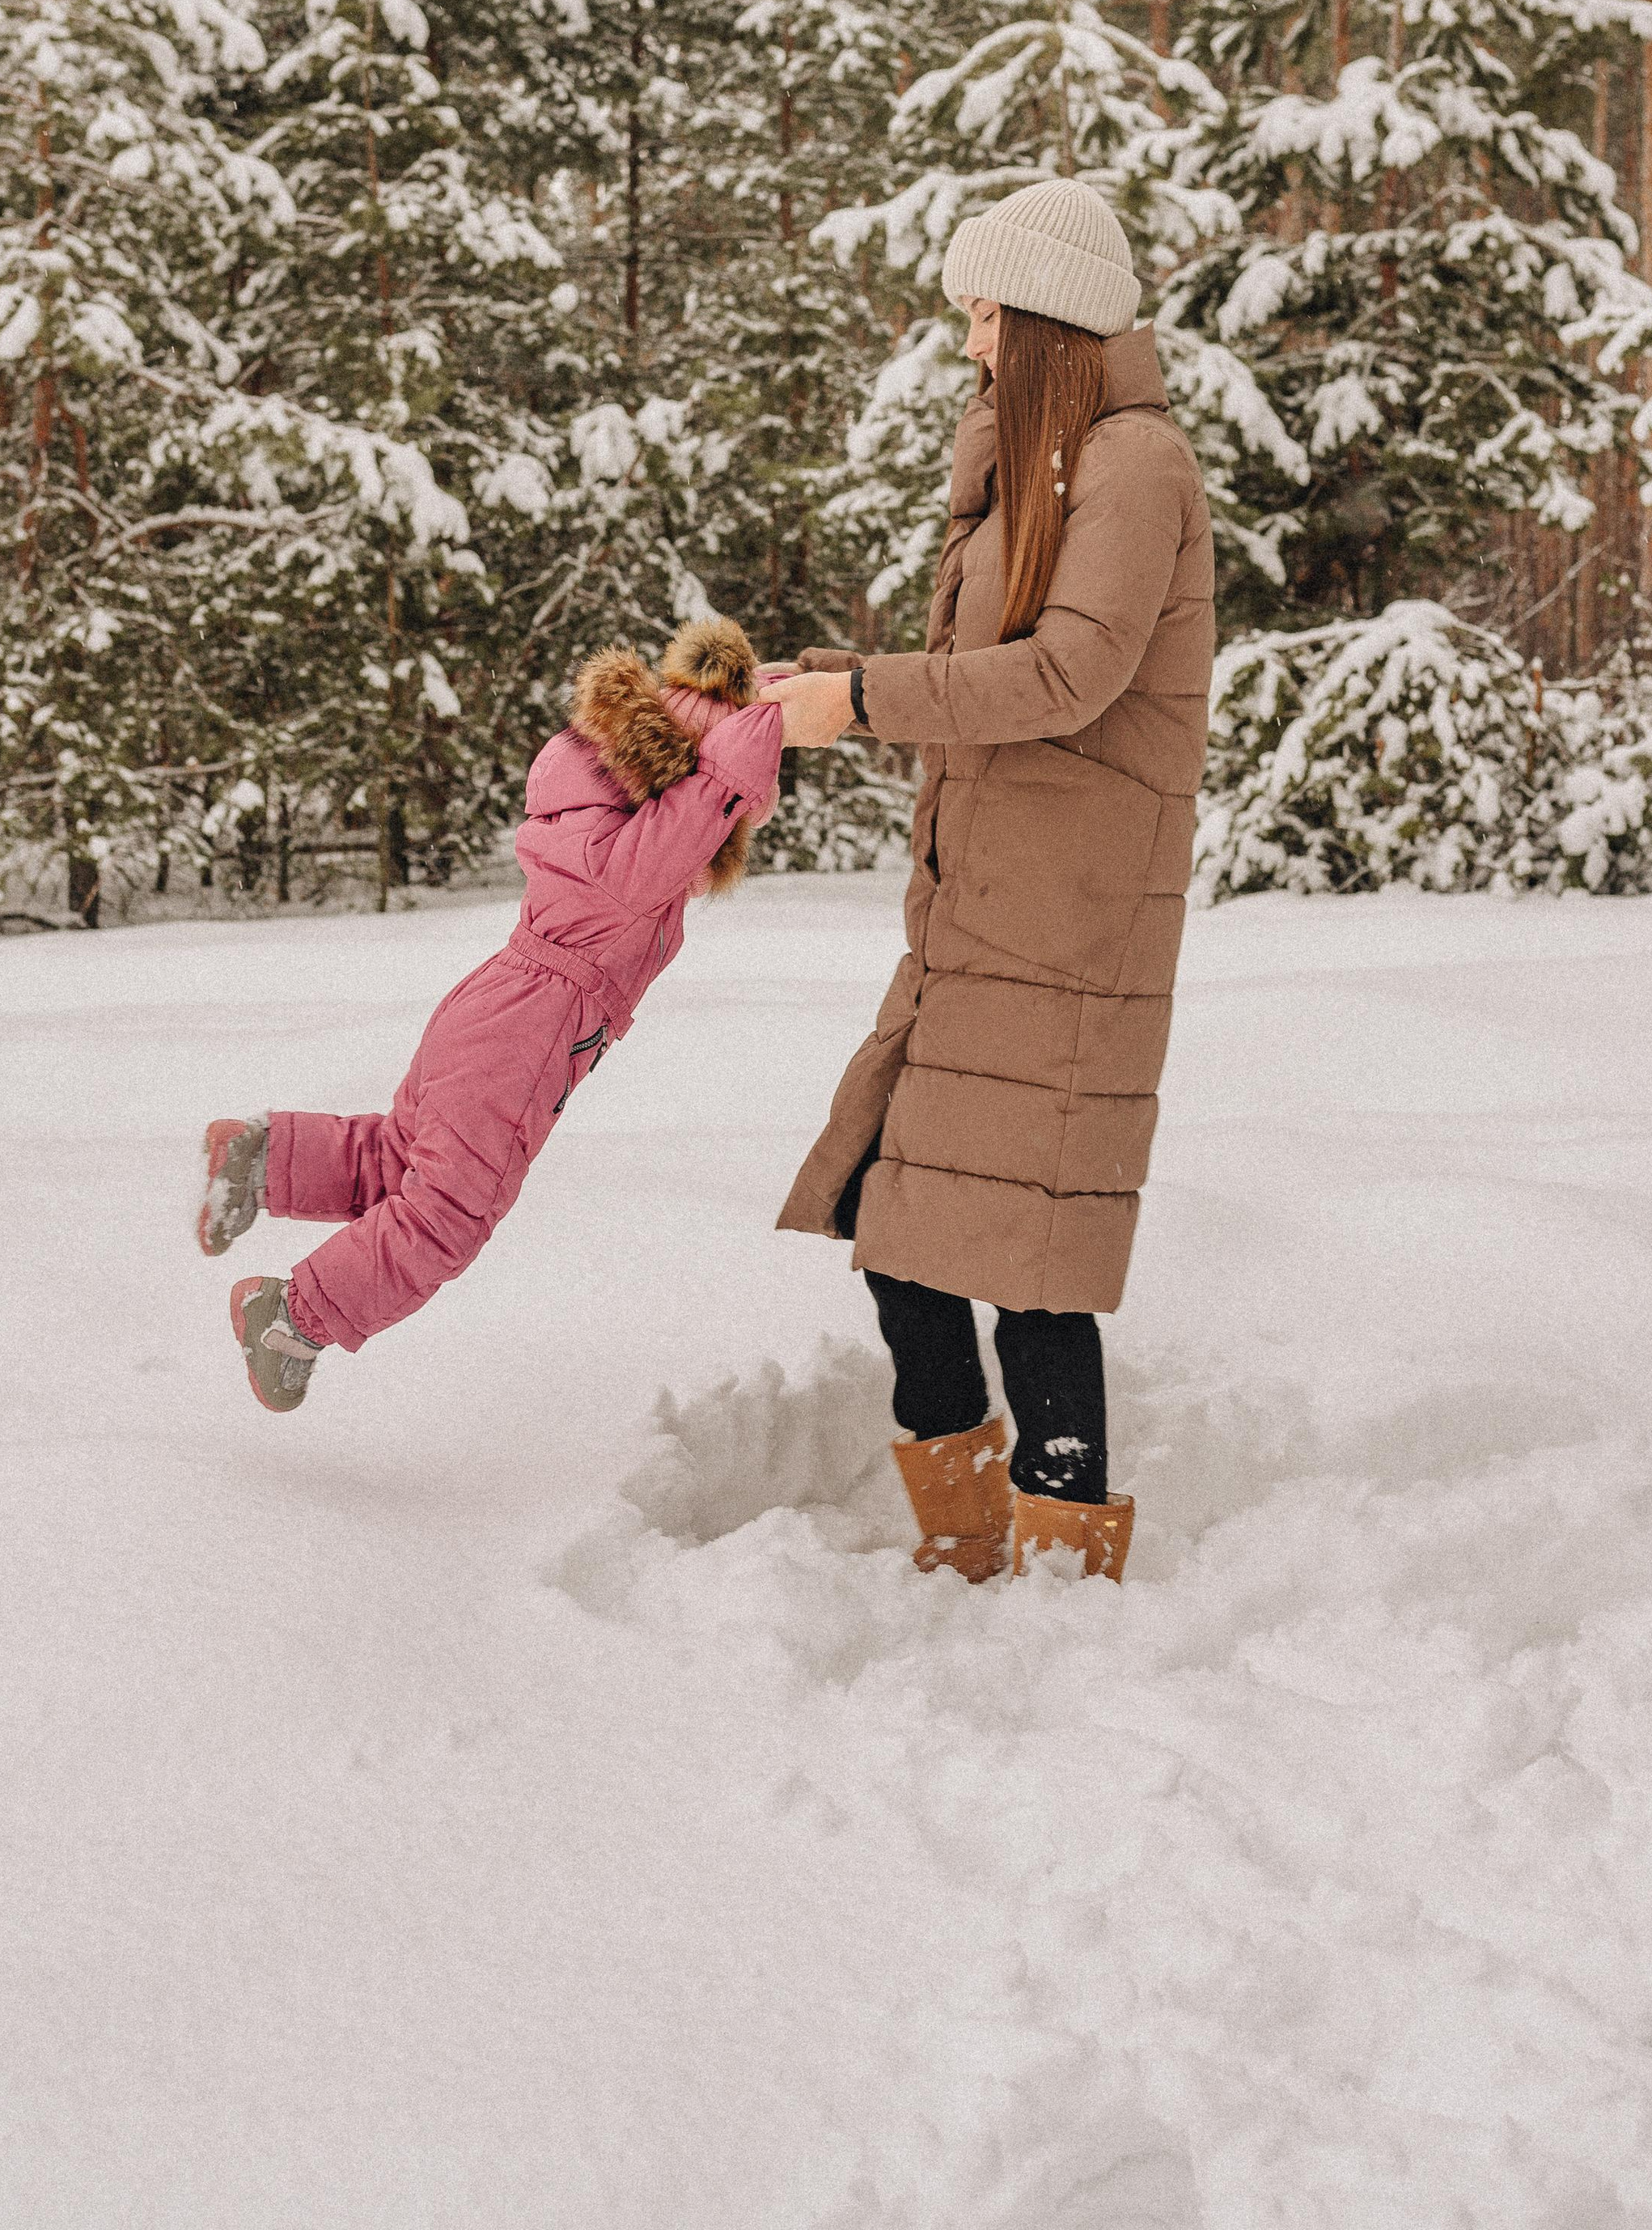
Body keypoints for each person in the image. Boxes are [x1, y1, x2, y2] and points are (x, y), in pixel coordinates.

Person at [762, 179, 1215, 1583]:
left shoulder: (1135, 466)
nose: (965, 341)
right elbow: (982, 674)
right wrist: (830, 683)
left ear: (1046, 323)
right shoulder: (1040, 467)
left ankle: (1066, 1565)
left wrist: (862, 701)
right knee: (902, 1230)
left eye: (982, 315)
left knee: (1033, 1267)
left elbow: (1069, 675)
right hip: (982, 913)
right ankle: (963, 1542)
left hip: (1067, 925)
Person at [197, 619, 784, 1411]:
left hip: (489, 1005)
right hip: (526, 1037)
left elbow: (694, 798)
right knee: (448, 1216)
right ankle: (289, 1319)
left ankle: (261, 1159)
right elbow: (706, 798)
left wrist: (779, 696)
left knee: (404, 1161)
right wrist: (754, 736)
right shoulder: (634, 867)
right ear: (674, 785)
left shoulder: (593, 831)